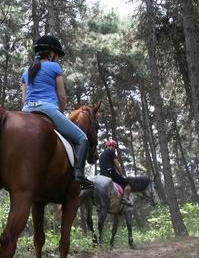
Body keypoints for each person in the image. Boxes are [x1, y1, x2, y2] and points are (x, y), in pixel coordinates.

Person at [20, 35, 94, 188]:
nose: (58, 58)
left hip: (26, 111)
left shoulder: (26, 71)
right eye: (58, 55)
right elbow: (61, 95)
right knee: (82, 138)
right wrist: (60, 112)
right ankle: (79, 174)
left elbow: (24, 99)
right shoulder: (55, 68)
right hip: (48, 109)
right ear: (52, 53)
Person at [99, 140, 132, 205]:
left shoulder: (101, 155)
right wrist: (121, 174)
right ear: (111, 146)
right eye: (114, 147)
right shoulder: (111, 152)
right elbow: (117, 164)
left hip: (102, 175)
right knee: (127, 184)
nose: (115, 149)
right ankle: (125, 199)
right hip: (110, 173)